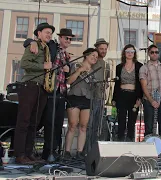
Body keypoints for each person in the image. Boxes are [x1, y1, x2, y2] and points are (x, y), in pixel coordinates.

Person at [25, 28, 73, 160]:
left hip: (61, 92)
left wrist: (68, 69)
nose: (68, 41)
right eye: (66, 38)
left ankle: (54, 150)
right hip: (50, 90)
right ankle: (47, 152)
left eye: (70, 39)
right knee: (49, 122)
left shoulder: (66, 55)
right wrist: (31, 42)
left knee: (58, 123)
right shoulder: (52, 46)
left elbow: (66, 74)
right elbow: (31, 41)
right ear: (60, 38)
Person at [14, 22, 55, 164]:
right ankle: (19, 154)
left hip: (42, 87)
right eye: (46, 32)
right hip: (30, 85)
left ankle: (28, 153)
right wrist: (43, 66)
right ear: (39, 34)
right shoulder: (34, 45)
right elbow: (24, 64)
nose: (49, 35)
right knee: (24, 121)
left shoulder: (47, 48)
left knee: (34, 123)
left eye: (50, 33)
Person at [139, 45, 161, 159]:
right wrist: (151, 100)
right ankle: (148, 152)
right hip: (149, 101)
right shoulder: (144, 68)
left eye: (156, 52)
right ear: (149, 54)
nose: (155, 54)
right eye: (152, 52)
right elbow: (143, 86)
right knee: (149, 127)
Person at [64, 48, 98, 160]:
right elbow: (69, 81)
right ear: (86, 56)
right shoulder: (76, 65)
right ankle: (67, 152)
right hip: (74, 97)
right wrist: (80, 70)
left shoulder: (93, 71)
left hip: (87, 98)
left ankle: (79, 152)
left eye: (96, 57)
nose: (95, 58)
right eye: (93, 55)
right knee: (73, 125)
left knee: (83, 126)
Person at [112, 44, 143, 142]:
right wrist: (114, 98)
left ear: (134, 54)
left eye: (132, 52)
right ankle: (120, 140)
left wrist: (140, 98)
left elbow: (141, 83)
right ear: (124, 53)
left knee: (132, 120)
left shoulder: (139, 66)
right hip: (121, 95)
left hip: (134, 95)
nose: (130, 54)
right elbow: (117, 83)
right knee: (121, 119)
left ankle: (130, 140)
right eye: (127, 52)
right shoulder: (119, 67)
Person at [85, 38, 110, 152]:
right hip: (91, 96)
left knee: (97, 126)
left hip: (100, 97)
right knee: (88, 125)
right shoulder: (93, 61)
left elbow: (107, 80)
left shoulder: (106, 65)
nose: (103, 51)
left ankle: (94, 150)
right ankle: (86, 149)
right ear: (96, 49)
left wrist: (106, 85)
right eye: (101, 49)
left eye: (105, 49)